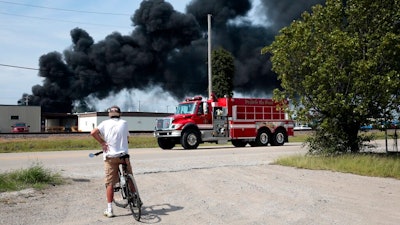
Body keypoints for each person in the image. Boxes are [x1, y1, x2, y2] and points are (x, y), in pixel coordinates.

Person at [90, 105, 133, 218]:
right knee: (130, 177)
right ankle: (134, 200)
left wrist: (103, 143)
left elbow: (93, 132)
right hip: (124, 156)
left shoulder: (104, 123)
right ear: (120, 114)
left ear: (109, 114)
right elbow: (127, 139)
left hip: (110, 157)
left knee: (109, 183)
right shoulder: (124, 123)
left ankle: (109, 209)